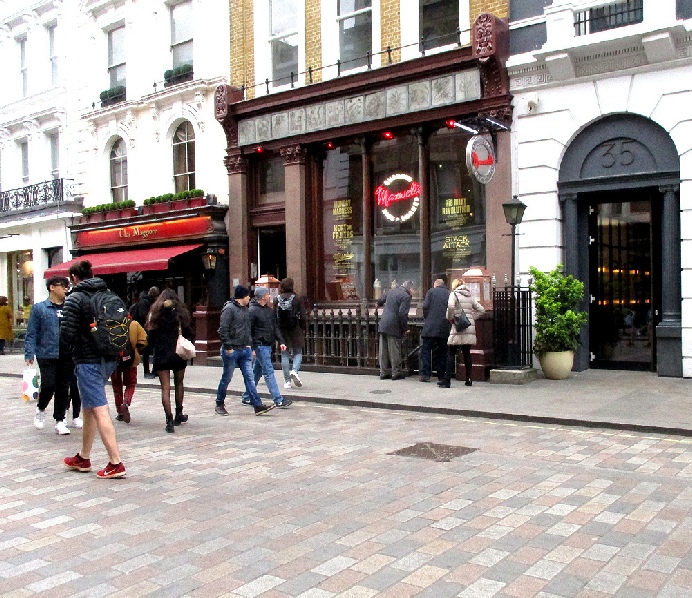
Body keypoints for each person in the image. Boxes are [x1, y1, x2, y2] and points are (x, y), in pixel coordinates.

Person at [61, 260, 126, 479]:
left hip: (87, 360)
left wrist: (68, 352)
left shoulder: (75, 298)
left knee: (99, 408)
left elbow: (66, 334)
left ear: (73, 278)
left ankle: (115, 462)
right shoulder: (106, 293)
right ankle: (83, 457)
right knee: (89, 406)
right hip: (108, 357)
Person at [24, 276, 81, 435]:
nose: (65, 289)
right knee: (49, 385)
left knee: (64, 387)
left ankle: (60, 420)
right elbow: (32, 333)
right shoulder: (40, 308)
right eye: (62, 286)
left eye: (67, 286)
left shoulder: (69, 307)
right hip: (46, 352)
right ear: (52, 287)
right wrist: (29, 353)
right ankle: (41, 408)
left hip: (67, 353)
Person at [215, 285, 275, 416]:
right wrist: (228, 347)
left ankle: (257, 405)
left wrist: (250, 346)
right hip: (232, 350)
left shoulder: (245, 310)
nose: (249, 297)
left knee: (249, 378)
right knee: (227, 377)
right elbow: (223, 329)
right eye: (248, 295)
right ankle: (219, 403)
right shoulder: (229, 309)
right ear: (242, 297)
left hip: (244, 349)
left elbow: (248, 329)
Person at [147, 289, 193, 433]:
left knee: (165, 388)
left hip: (161, 354)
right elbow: (189, 333)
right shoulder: (180, 314)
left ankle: (169, 420)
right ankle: (179, 413)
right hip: (178, 353)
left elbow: (150, 338)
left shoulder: (155, 315)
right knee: (179, 383)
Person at [241, 287, 292, 408]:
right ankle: (278, 399)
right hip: (260, 345)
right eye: (268, 294)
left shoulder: (269, 310)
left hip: (268, 345)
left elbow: (275, 327)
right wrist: (252, 347)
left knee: (256, 372)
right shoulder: (252, 311)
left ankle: (247, 396)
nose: (270, 296)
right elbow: (249, 331)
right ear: (263, 297)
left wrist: (281, 341)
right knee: (268, 372)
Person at [439, 280, 485, 388]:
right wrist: (471, 318)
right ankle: (469, 379)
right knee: (466, 353)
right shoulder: (469, 296)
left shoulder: (453, 294)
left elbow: (450, 306)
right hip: (468, 327)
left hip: (458, 327)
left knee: (451, 352)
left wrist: (450, 318)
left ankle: (447, 380)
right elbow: (481, 310)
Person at [111, 317, 148, 424]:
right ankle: (125, 404)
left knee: (116, 386)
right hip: (130, 359)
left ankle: (120, 412)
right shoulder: (134, 324)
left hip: (114, 360)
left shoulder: (110, 324)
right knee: (131, 383)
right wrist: (135, 348)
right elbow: (144, 341)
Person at [377, 280, 414, 380]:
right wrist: (405, 328)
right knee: (394, 350)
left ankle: (383, 372)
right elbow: (402, 314)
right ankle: (396, 372)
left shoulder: (392, 291)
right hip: (394, 325)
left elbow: (380, 300)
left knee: (383, 350)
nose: (413, 291)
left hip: (383, 323)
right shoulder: (405, 297)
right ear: (409, 288)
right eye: (413, 289)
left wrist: (381, 305)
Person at [275, 277, 306, 389]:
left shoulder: (277, 299)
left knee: (285, 355)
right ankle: (295, 370)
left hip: (282, 330)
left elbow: (274, 317)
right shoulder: (297, 298)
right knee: (298, 351)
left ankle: (287, 381)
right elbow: (302, 316)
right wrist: (303, 327)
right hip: (295, 329)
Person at [419, 277, 451, 383]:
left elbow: (425, 306)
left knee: (426, 350)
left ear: (435, 284)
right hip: (444, 326)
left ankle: (425, 374)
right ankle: (441, 375)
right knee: (442, 352)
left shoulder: (431, 292)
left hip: (430, 326)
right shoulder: (449, 293)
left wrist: (427, 318)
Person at [130, 286, 159, 379]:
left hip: (148, 329)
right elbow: (143, 316)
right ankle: (146, 372)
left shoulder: (146, 301)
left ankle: (154, 370)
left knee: (151, 349)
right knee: (146, 350)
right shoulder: (144, 302)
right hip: (144, 329)